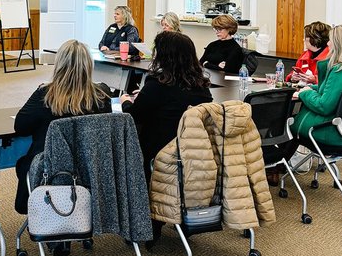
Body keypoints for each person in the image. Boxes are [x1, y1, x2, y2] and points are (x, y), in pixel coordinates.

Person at [14, 39, 112, 215]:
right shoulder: (102, 95)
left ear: (58, 65)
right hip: (88, 172)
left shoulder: (45, 95)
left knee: (23, 163)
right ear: (89, 65)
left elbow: (20, 126)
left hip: (49, 173)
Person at [121, 31, 212, 182]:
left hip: (159, 153)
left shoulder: (157, 85)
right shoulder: (202, 87)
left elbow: (133, 116)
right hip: (192, 152)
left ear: (164, 57)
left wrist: (126, 101)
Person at [290, 25, 342, 150]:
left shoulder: (341, 71)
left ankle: (278, 164)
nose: (328, 44)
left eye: (330, 40)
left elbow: (324, 106)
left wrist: (305, 93)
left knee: (286, 122)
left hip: (334, 133)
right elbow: (337, 92)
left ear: (337, 44)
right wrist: (313, 88)